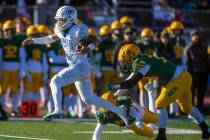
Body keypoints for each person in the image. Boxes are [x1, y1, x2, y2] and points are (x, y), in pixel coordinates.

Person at [22, 6, 128, 125]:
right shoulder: (59, 28)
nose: (59, 22)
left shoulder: (79, 29)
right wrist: (34, 40)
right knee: (88, 99)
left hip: (80, 65)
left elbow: (96, 40)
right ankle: (120, 111)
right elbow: (51, 38)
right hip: (79, 67)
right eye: (59, 19)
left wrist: (88, 48)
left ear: (70, 19)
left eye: (62, 19)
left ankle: (58, 110)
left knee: (55, 81)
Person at [106, 44, 210, 140]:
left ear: (130, 56)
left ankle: (161, 136)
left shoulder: (140, 62)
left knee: (160, 104)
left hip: (178, 79)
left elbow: (130, 83)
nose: (124, 63)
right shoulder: (142, 60)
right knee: (186, 108)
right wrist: (115, 95)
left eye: (124, 60)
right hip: (183, 77)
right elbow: (127, 82)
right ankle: (205, 128)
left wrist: (112, 86)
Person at [92, 92, 158, 140]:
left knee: (155, 119)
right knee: (150, 134)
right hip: (131, 123)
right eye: (105, 107)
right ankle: (150, 126)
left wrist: (138, 120)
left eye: (109, 107)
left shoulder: (123, 104)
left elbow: (134, 112)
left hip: (139, 112)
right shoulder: (102, 114)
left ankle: (151, 92)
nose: (108, 109)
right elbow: (97, 132)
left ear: (116, 103)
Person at [184, 29, 209, 113]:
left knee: (201, 94)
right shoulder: (188, 48)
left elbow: (207, 61)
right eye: (194, 35)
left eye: (197, 35)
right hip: (193, 75)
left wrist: (207, 71)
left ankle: (200, 110)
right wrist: (190, 74)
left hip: (203, 74)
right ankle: (191, 111)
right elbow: (187, 63)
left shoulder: (204, 47)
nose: (196, 36)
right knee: (191, 93)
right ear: (191, 37)